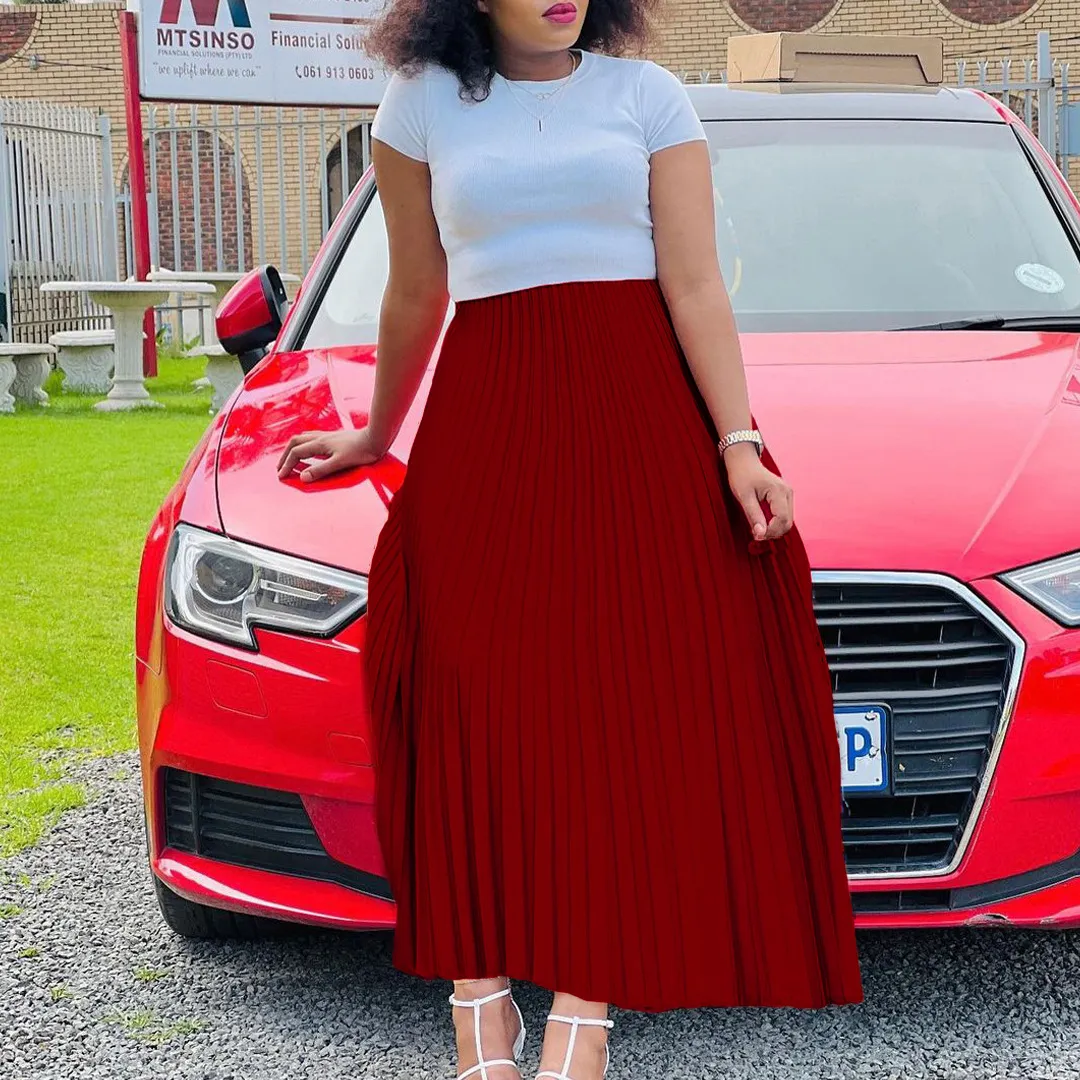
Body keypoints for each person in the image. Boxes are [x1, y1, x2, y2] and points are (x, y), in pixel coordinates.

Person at [275, 1, 863, 1076]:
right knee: (464, 699)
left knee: (616, 711)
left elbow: (694, 284)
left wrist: (738, 442)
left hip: (637, 423)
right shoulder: (419, 104)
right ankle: (480, 996)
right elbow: (416, 288)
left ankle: (583, 1012)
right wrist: (376, 432)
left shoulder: (646, 95)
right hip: (489, 421)